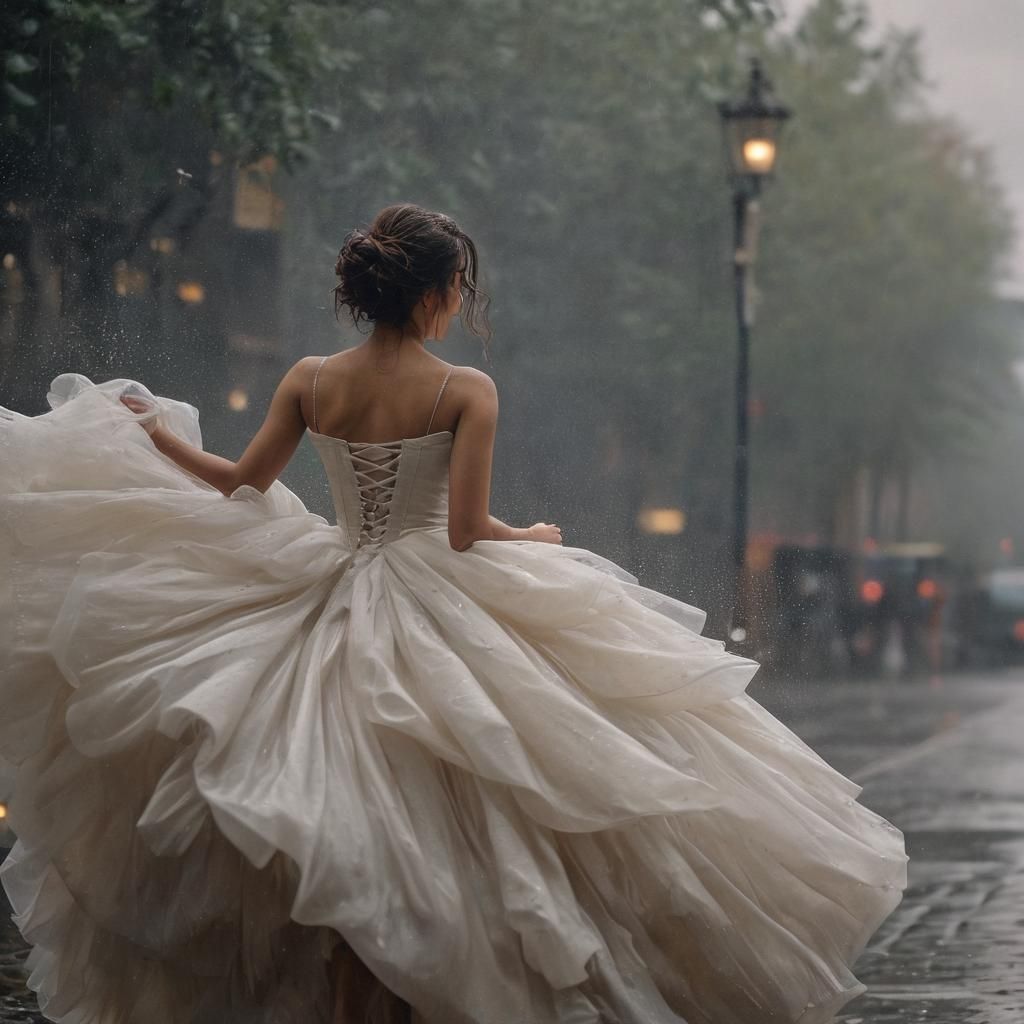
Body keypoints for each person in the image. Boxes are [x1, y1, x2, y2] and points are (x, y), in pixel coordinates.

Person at [0, 202, 907, 1024]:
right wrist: (539, 537)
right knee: (484, 797)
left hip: (329, 581)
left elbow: (242, 484)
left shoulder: (313, 378)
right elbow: (468, 532)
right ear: (436, 293)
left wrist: (155, 435)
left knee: (338, 799)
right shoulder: (464, 389)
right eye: (457, 289)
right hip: (430, 587)